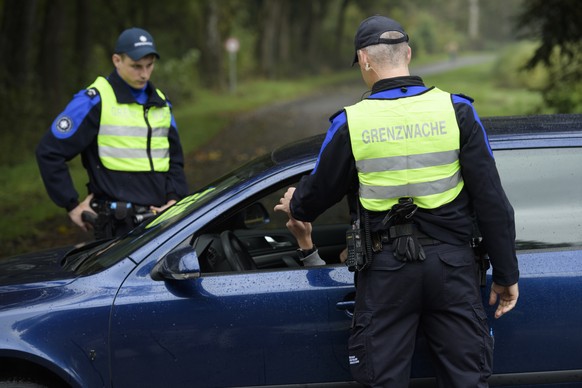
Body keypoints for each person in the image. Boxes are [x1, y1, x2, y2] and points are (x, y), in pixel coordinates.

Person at [274, 15, 519, 387]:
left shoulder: (350, 123)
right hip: (453, 267)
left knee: (383, 379)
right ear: (408, 53)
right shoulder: (457, 111)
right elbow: (492, 203)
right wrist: (505, 274)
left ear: (365, 60)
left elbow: (314, 199)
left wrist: (296, 202)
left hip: (386, 271)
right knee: (467, 380)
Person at [36, 27, 188, 239]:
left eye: (149, 65)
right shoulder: (95, 100)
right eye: (136, 66)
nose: (144, 74)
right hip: (117, 227)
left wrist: (175, 197)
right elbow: (49, 151)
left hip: (162, 223)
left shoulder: (161, 103)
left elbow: (174, 160)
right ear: (117, 60)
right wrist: (70, 204)